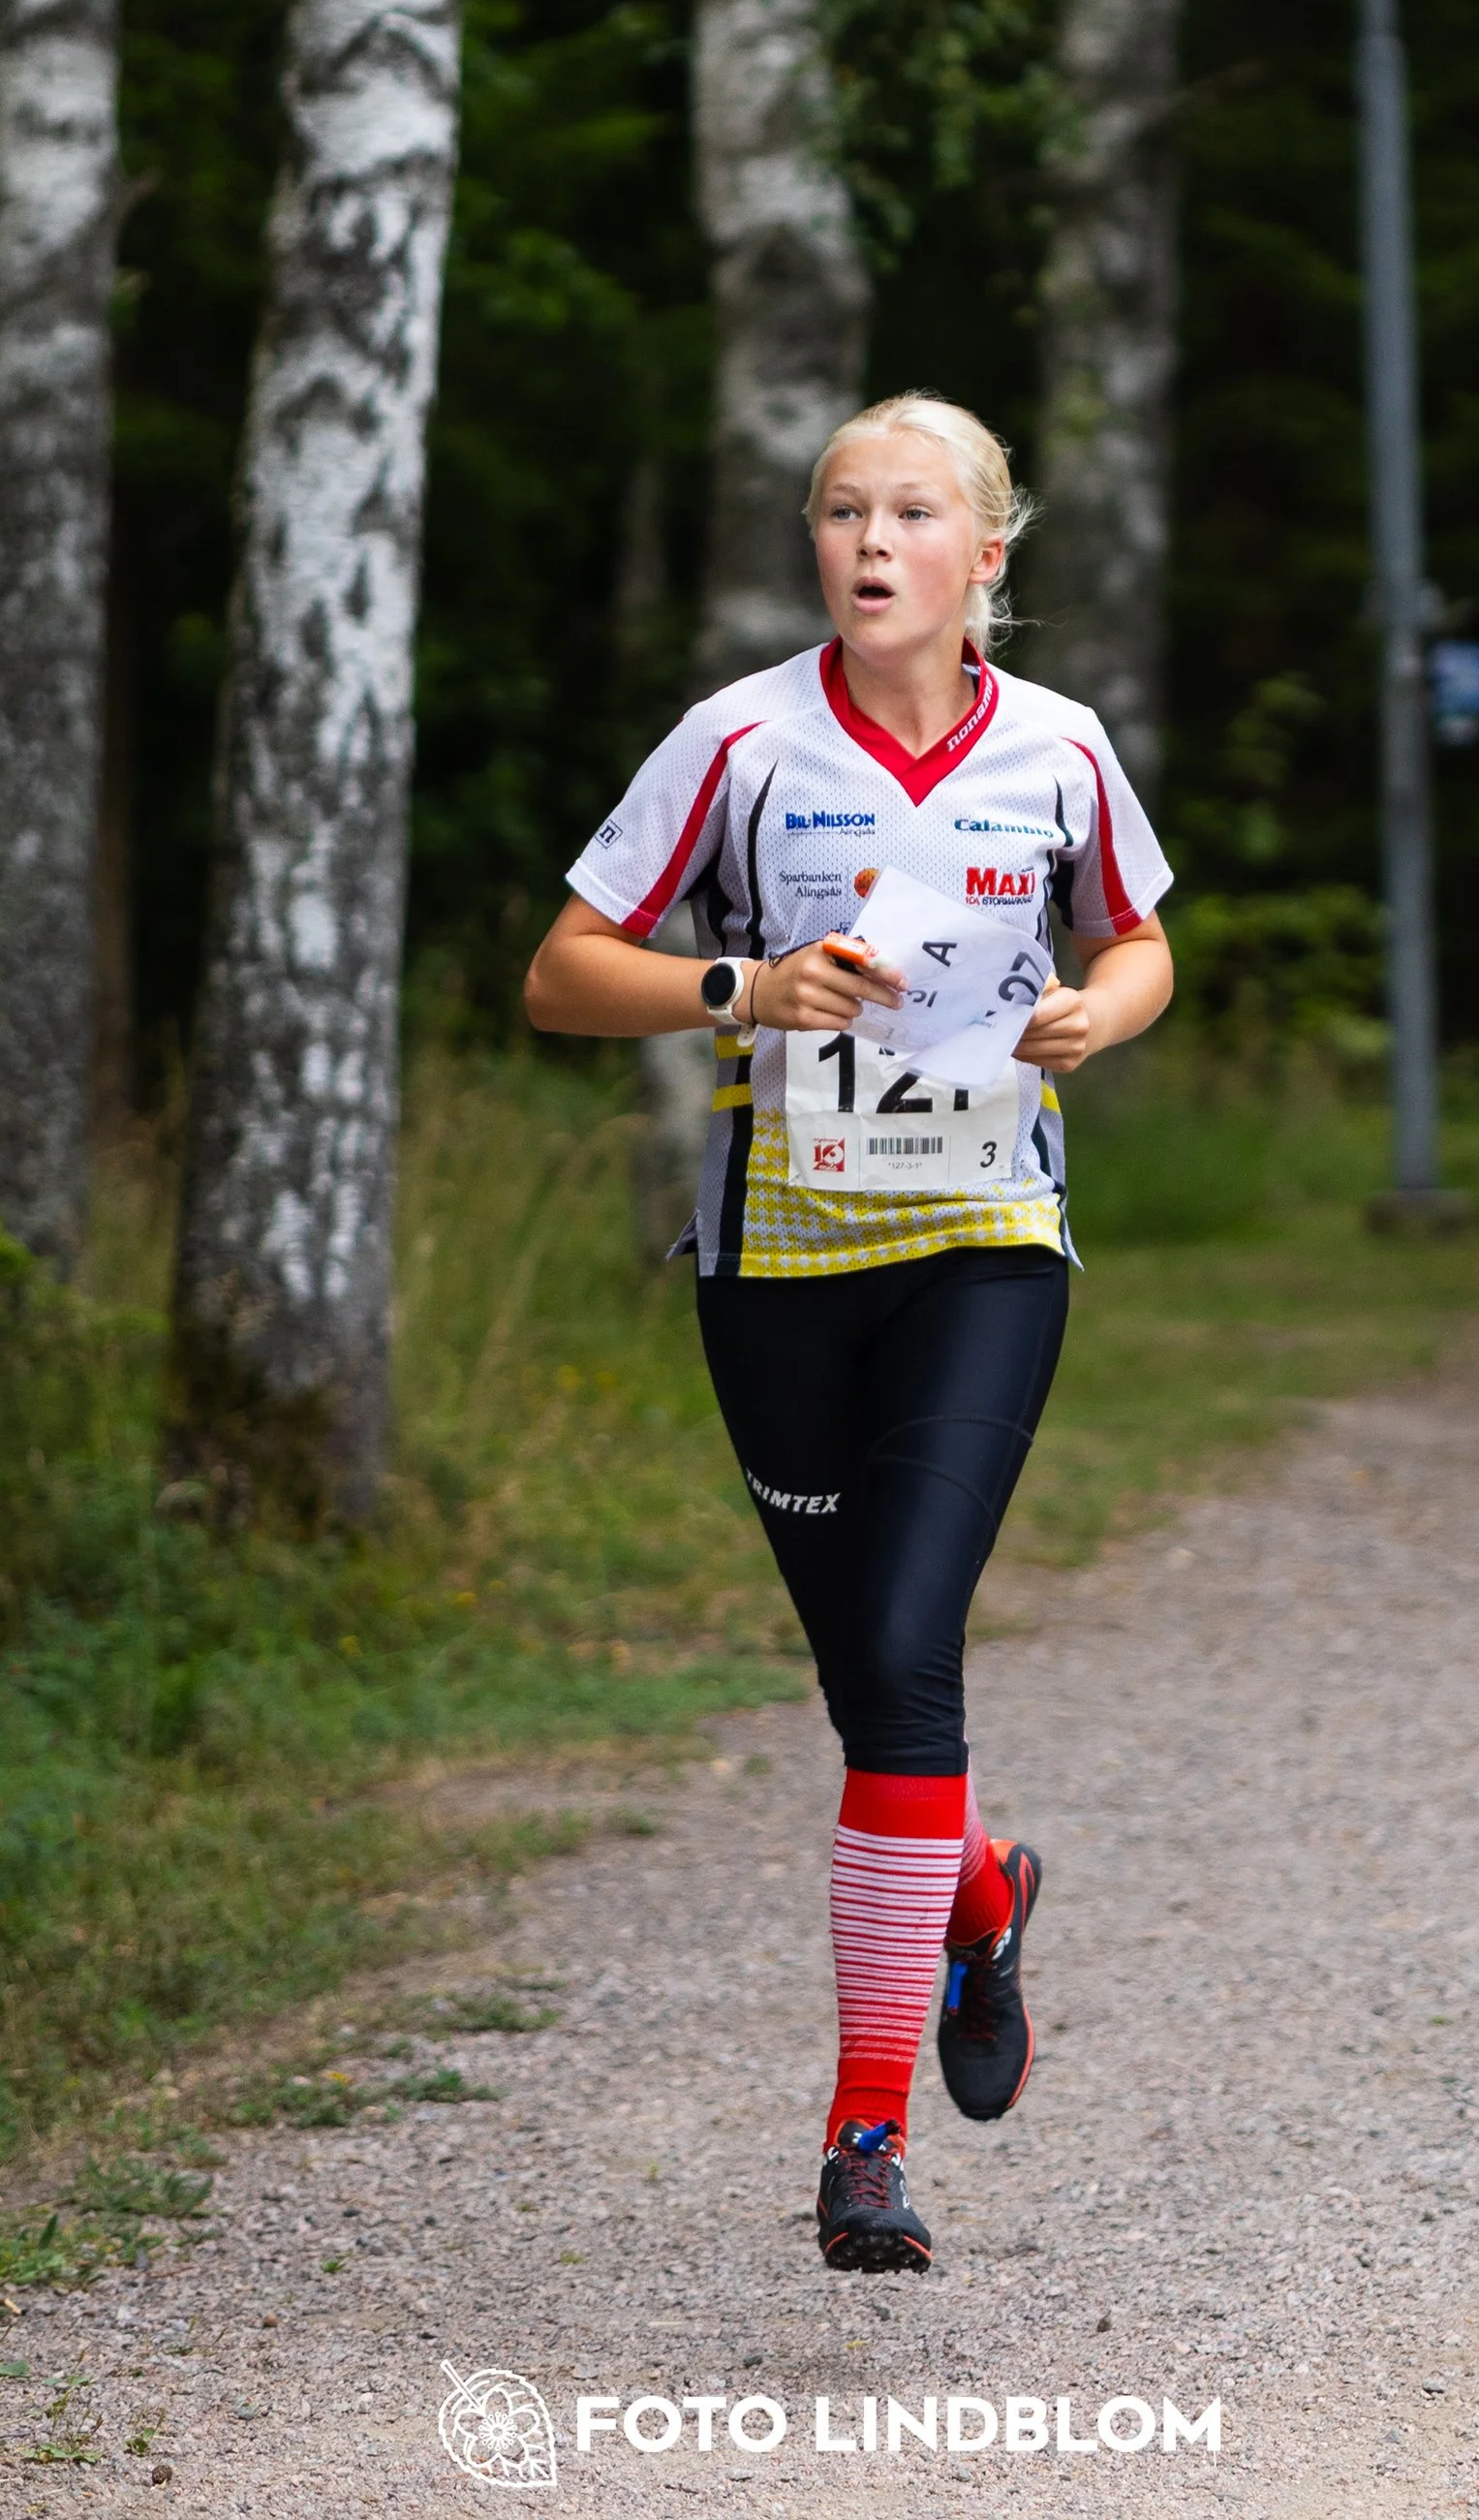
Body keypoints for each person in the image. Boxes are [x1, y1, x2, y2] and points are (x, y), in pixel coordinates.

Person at [524, 392, 1174, 2272]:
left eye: (910, 512)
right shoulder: (735, 741)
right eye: (837, 509)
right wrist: (740, 982)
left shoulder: (1055, 747)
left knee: (906, 1649)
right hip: (777, 1264)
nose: (868, 539)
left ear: (987, 556)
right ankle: (976, 1891)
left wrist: (1098, 1018)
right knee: (862, 1686)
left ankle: (862, 2137)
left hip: (984, 1243)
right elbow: (562, 969)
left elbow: (1136, 938)